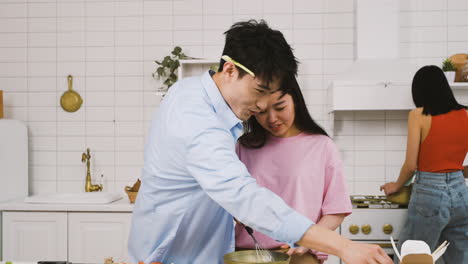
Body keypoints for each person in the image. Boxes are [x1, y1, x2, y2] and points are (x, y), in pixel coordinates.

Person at [128, 19, 392, 264]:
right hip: (170, 255)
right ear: (230, 70)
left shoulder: (194, 94)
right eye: (260, 91)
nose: (263, 106)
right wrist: (344, 247)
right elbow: (244, 198)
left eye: (273, 95)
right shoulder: (195, 119)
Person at [235, 76, 352, 264]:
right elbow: (231, 201)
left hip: (299, 256)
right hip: (246, 255)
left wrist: (307, 242)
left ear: (295, 101)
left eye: (280, 107)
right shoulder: (244, 146)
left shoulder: (322, 146)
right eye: (262, 111)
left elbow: (336, 210)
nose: (272, 119)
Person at [380, 65, 468, 263]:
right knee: (459, 259)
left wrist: (396, 185)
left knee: (412, 258)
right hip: (461, 194)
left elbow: (411, 165)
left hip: (429, 195)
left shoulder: (418, 115)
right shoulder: (466, 114)